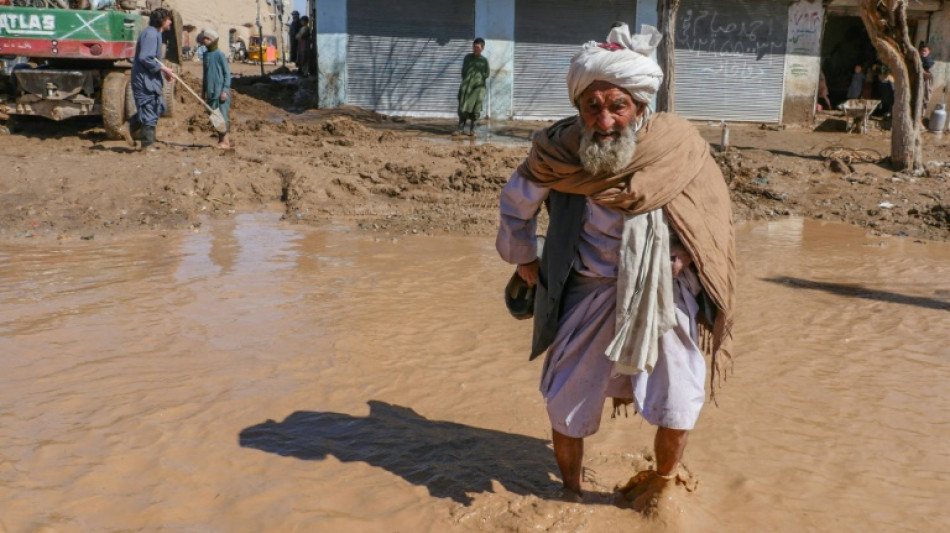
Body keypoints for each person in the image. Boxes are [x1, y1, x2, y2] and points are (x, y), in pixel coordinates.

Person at [495, 23, 735, 511]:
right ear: (578, 107)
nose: (604, 121)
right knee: (565, 400)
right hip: (588, 286)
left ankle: (662, 486)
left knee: (679, 398)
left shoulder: (679, 146)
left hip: (665, 287)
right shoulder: (558, 151)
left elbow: (714, 215)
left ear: (641, 106)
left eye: (617, 106)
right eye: (592, 106)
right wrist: (523, 259)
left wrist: (688, 255)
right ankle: (569, 494)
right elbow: (515, 204)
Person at [129, 8, 175, 150]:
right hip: (144, 80)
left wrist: (163, 71)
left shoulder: (156, 34)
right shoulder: (150, 34)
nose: (170, 22)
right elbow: (145, 57)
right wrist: (163, 69)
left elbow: (152, 59)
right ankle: (147, 146)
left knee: (159, 106)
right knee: (149, 109)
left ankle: (131, 126)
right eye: (168, 19)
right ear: (162, 21)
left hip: (150, 78)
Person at [198, 29, 232, 150]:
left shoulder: (220, 55)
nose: (205, 41)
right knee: (213, 115)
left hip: (220, 92)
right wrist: (203, 92)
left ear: (214, 40)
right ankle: (221, 139)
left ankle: (226, 142)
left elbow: (227, 74)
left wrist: (225, 90)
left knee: (222, 116)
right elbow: (205, 74)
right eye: (204, 39)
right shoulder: (206, 55)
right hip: (211, 91)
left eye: (208, 39)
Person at [456, 38, 490, 136]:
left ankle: (472, 130)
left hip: (478, 88)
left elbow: (487, 74)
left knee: (476, 108)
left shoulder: (484, 61)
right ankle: (460, 129)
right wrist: (466, 83)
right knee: (463, 107)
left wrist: (477, 80)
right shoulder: (467, 58)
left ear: (482, 48)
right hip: (467, 87)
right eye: (474, 47)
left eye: (478, 47)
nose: (475, 49)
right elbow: (463, 72)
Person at [921, 44, 935, 116]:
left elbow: (928, 75)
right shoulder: (919, 59)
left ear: (929, 52)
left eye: (925, 51)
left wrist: (922, 70)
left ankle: (921, 116)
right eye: (922, 51)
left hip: (926, 84)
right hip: (919, 84)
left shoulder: (930, 62)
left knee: (925, 100)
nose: (923, 52)